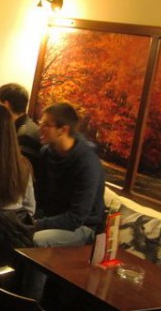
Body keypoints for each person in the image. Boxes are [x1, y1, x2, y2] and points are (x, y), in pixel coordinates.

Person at [32, 102, 108, 247]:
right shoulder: (46, 153)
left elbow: (76, 217)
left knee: (38, 238)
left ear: (63, 129)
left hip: (83, 227)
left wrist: (37, 224)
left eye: (46, 125)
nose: (39, 128)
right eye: (40, 122)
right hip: (53, 218)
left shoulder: (87, 163)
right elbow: (39, 195)